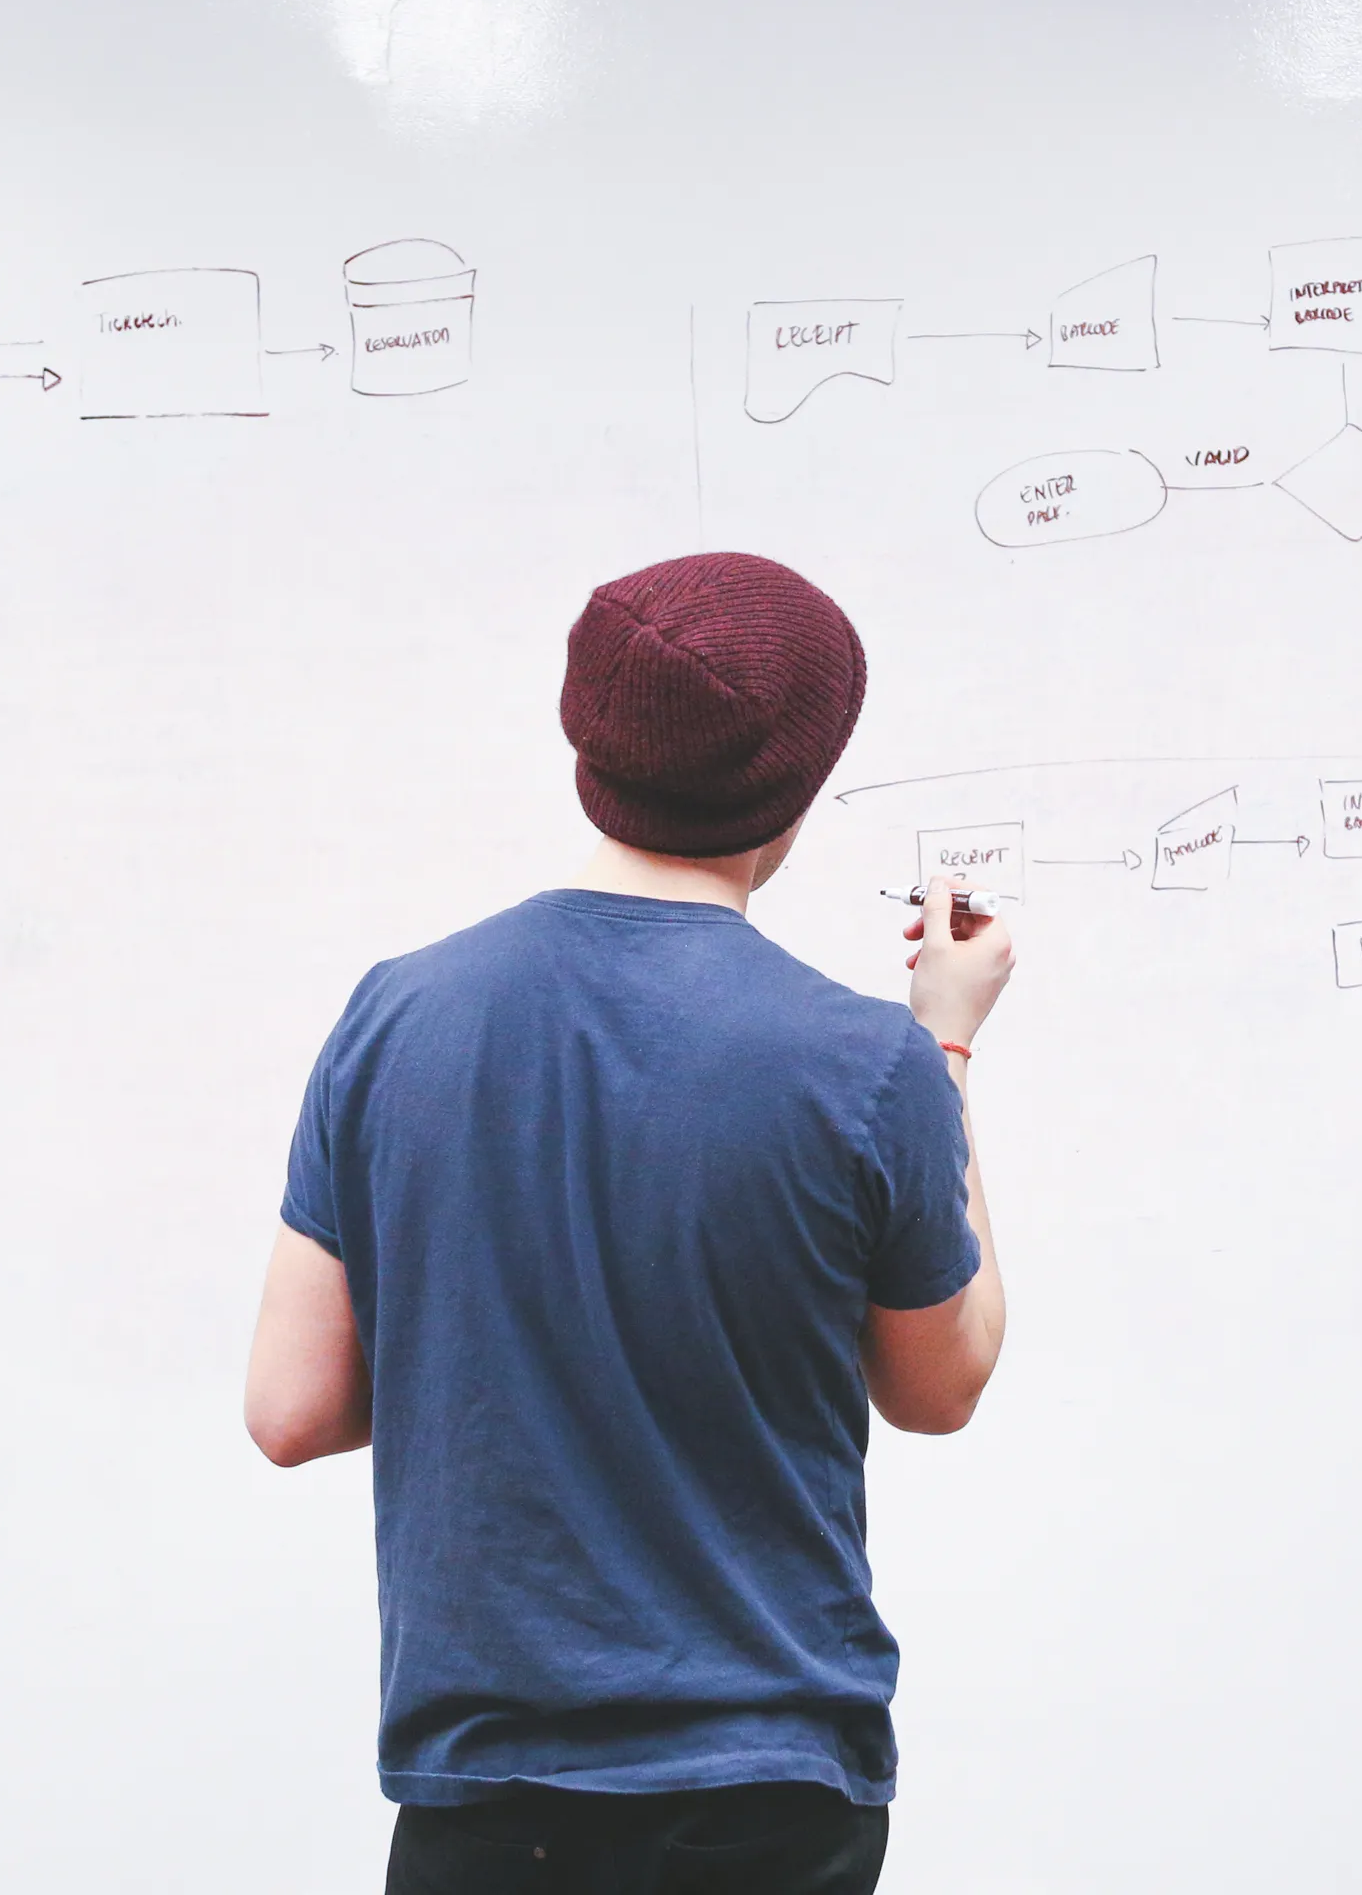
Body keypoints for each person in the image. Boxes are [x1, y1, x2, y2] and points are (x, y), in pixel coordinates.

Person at [243, 550, 1014, 1895]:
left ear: (587, 742)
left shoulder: (395, 1018)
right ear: (800, 782)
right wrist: (942, 1046)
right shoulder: (863, 1065)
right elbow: (937, 1387)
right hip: (763, 1796)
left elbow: (292, 1406)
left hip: (483, 1798)